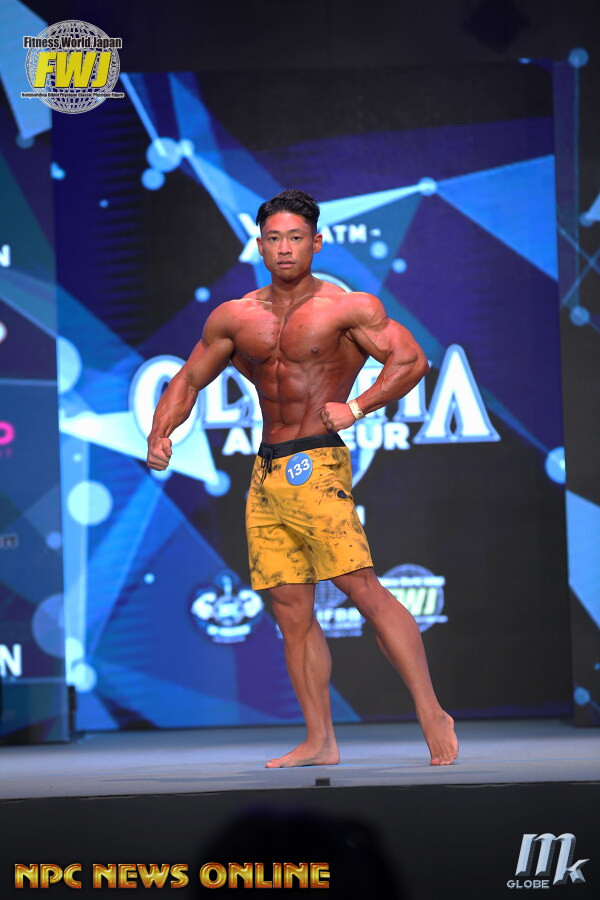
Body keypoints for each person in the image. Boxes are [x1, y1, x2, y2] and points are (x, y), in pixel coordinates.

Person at [147, 189, 458, 768]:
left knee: (361, 588)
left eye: (295, 238)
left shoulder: (346, 308)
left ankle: (430, 710)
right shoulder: (235, 317)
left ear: (316, 243)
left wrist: (358, 407)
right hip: (266, 471)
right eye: (274, 238)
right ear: (259, 245)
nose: (285, 248)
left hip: (317, 462)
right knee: (291, 612)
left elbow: (411, 360)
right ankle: (320, 740)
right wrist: (160, 432)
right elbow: (187, 380)